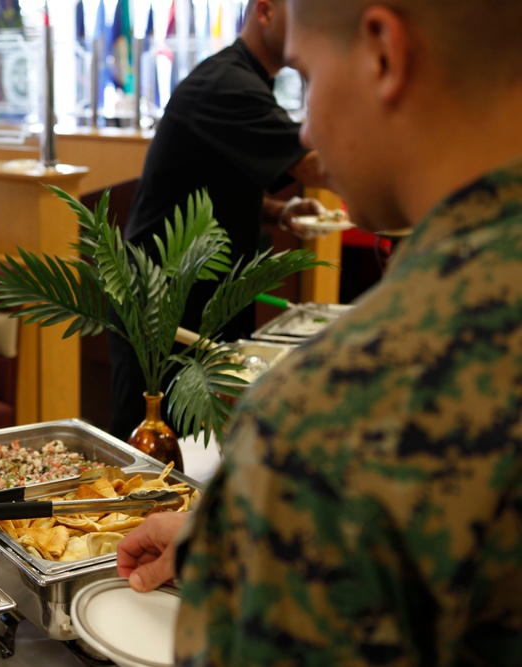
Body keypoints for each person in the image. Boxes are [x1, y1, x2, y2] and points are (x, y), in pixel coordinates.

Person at [117, 0, 522, 662]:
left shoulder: (330, 417)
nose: (306, 125)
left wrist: (260, 520)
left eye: (306, 78)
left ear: (383, 55)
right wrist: (224, 529)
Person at [107, 0, 332, 440]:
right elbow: (318, 166)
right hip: (162, 301)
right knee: (148, 445)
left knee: (197, 442)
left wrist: (281, 211)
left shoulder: (248, 80)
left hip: (202, 297)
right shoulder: (227, 83)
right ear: (265, 11)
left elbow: (213, 184)